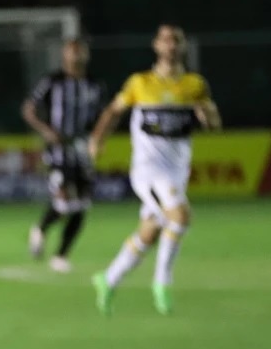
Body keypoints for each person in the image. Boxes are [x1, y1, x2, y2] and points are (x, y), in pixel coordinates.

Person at [88, 25, 220, 315]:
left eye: (176, 40)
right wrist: (98, 139)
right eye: (165, 40)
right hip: (148, 170)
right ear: (156, 46)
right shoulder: (140, 83)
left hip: (177, 171)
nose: (170, 45)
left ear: (182, 46)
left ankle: (108, 279)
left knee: (150, 231)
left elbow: (213, 124)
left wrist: (207, 115)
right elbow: (113, 111)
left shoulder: (195, 85)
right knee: (181, 216)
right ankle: (162, 281)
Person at [22, 38, 104, 272]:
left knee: (82, 204)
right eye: (72, 52)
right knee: (65, 199)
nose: (77, 57)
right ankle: (41, 228)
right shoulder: (52, 81)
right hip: (58, 150)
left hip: (82, 148)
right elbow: (29, 108)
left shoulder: (94, 84)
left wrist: (97, 139)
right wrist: (46, 131)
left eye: (81, 52)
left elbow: (102, 115)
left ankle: (61, 255)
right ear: (64, 55)